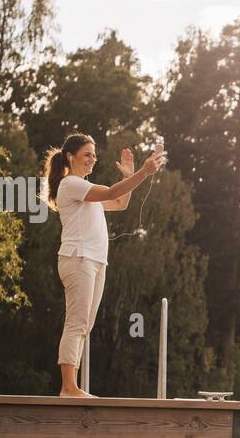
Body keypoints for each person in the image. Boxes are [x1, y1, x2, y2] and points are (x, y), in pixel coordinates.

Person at [41, 134, 166, 397]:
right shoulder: (71, 184)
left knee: (85, 324)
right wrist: (143, 172)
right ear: (70, 157)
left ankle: (71, 387)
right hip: (78, 259)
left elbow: (119, 202)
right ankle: (68, 388)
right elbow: (111, 192)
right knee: (76, 322)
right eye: (87, 153)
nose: (92, 158)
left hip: (96, 262)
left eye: (94, 154)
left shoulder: (85, 190)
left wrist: (130, 176)